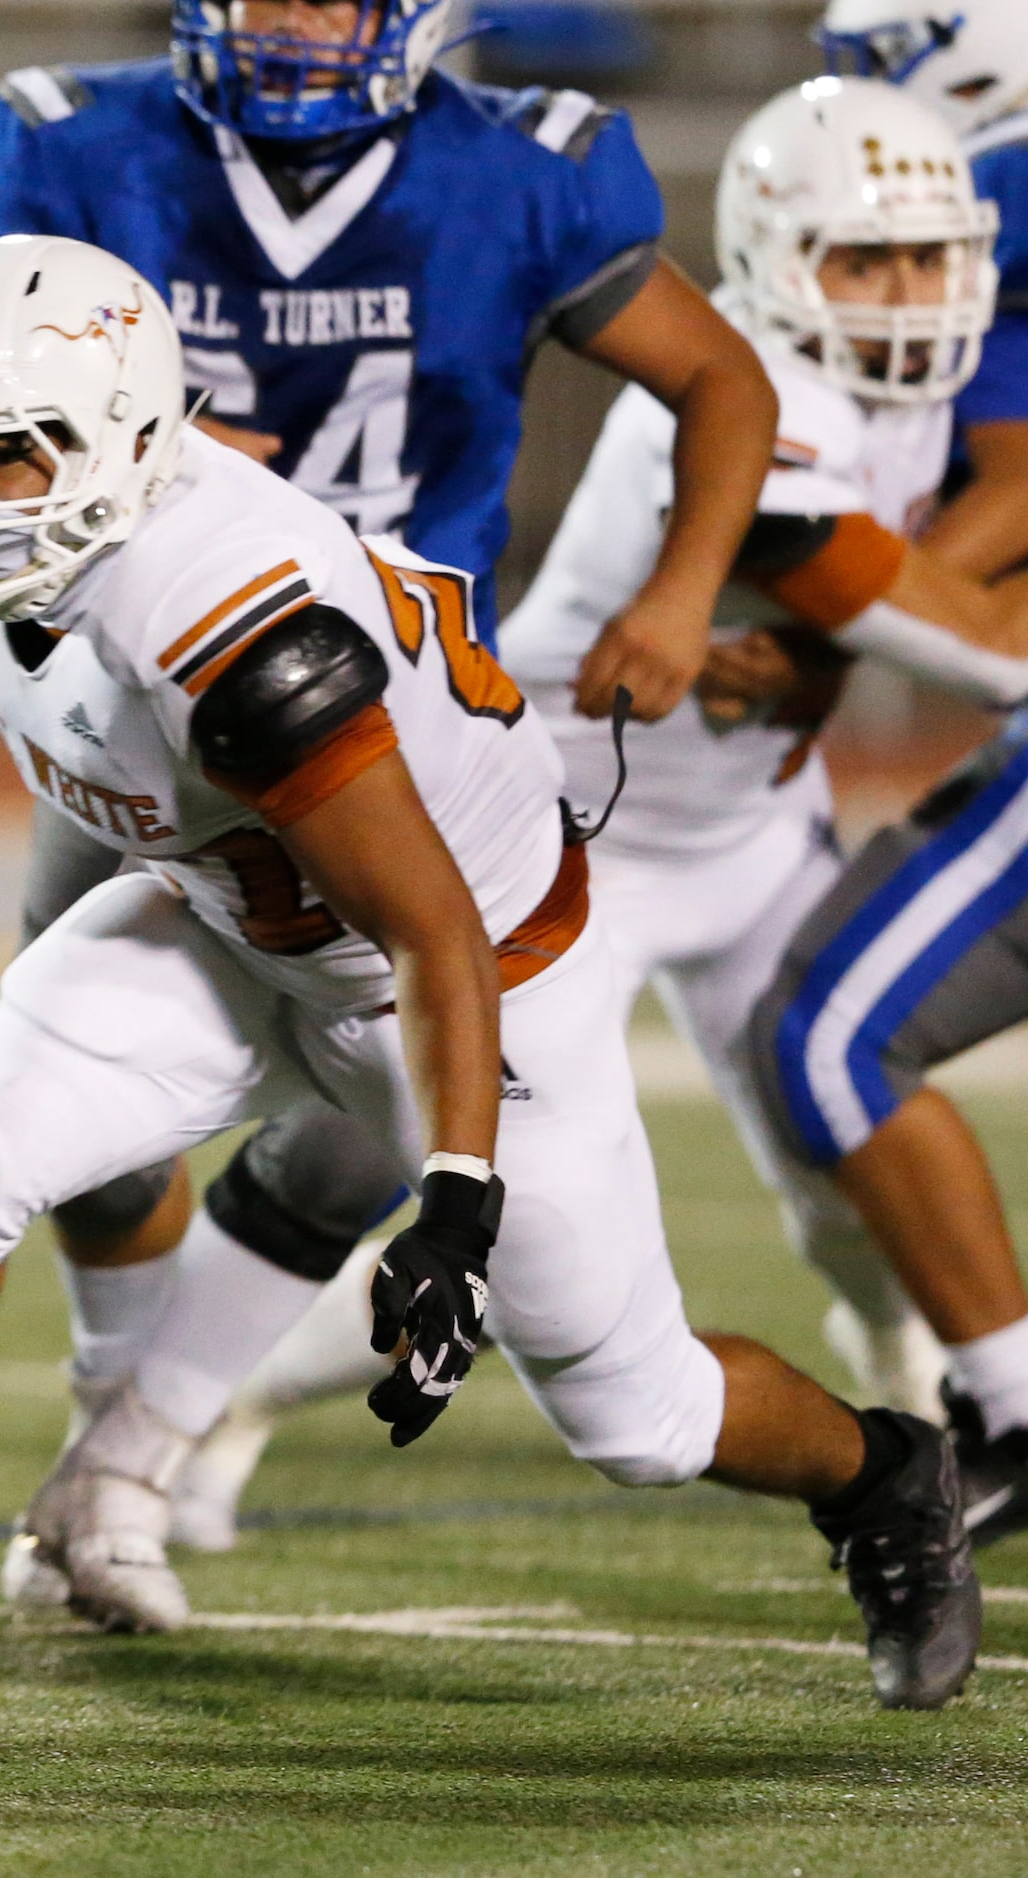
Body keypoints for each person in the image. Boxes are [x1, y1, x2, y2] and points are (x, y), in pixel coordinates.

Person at [0, 235, 977, 1711]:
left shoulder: (249, 643)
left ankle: (883, 1476)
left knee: (636, 1414)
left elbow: (433, 936)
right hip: (236, 923)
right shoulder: (68, 509)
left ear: (116, 441)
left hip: (465, 970)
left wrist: (458, 1196)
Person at [0, 0, 781, 1589]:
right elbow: (1, 494)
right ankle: (109, 1459)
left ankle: (130, 1463)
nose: (292, 20)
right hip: (147, 673)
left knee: (374, 1119)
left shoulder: (518, 173)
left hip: (370, 697)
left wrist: (678, 596)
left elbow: (719, 377)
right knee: (71, 1136)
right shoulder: (80, 146)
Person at [88, 76, 1028, 1556]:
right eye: (866, 262)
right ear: (780, 259)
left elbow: (934, 574)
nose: (906, 297)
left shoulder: (927, 392)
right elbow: (980, 646)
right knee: (463, 1201)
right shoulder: (747, 417)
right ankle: (210, 1414)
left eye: (926, 260)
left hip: (756, 821)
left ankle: (927, 1394)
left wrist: (827, 649)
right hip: (586, 835)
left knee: (837, 1132)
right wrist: (845, 631)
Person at [821, 3, 1028, 577]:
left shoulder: (1005, 175)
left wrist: (865, 622)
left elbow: (1021, 485)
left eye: (884, 56)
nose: (864, 82)